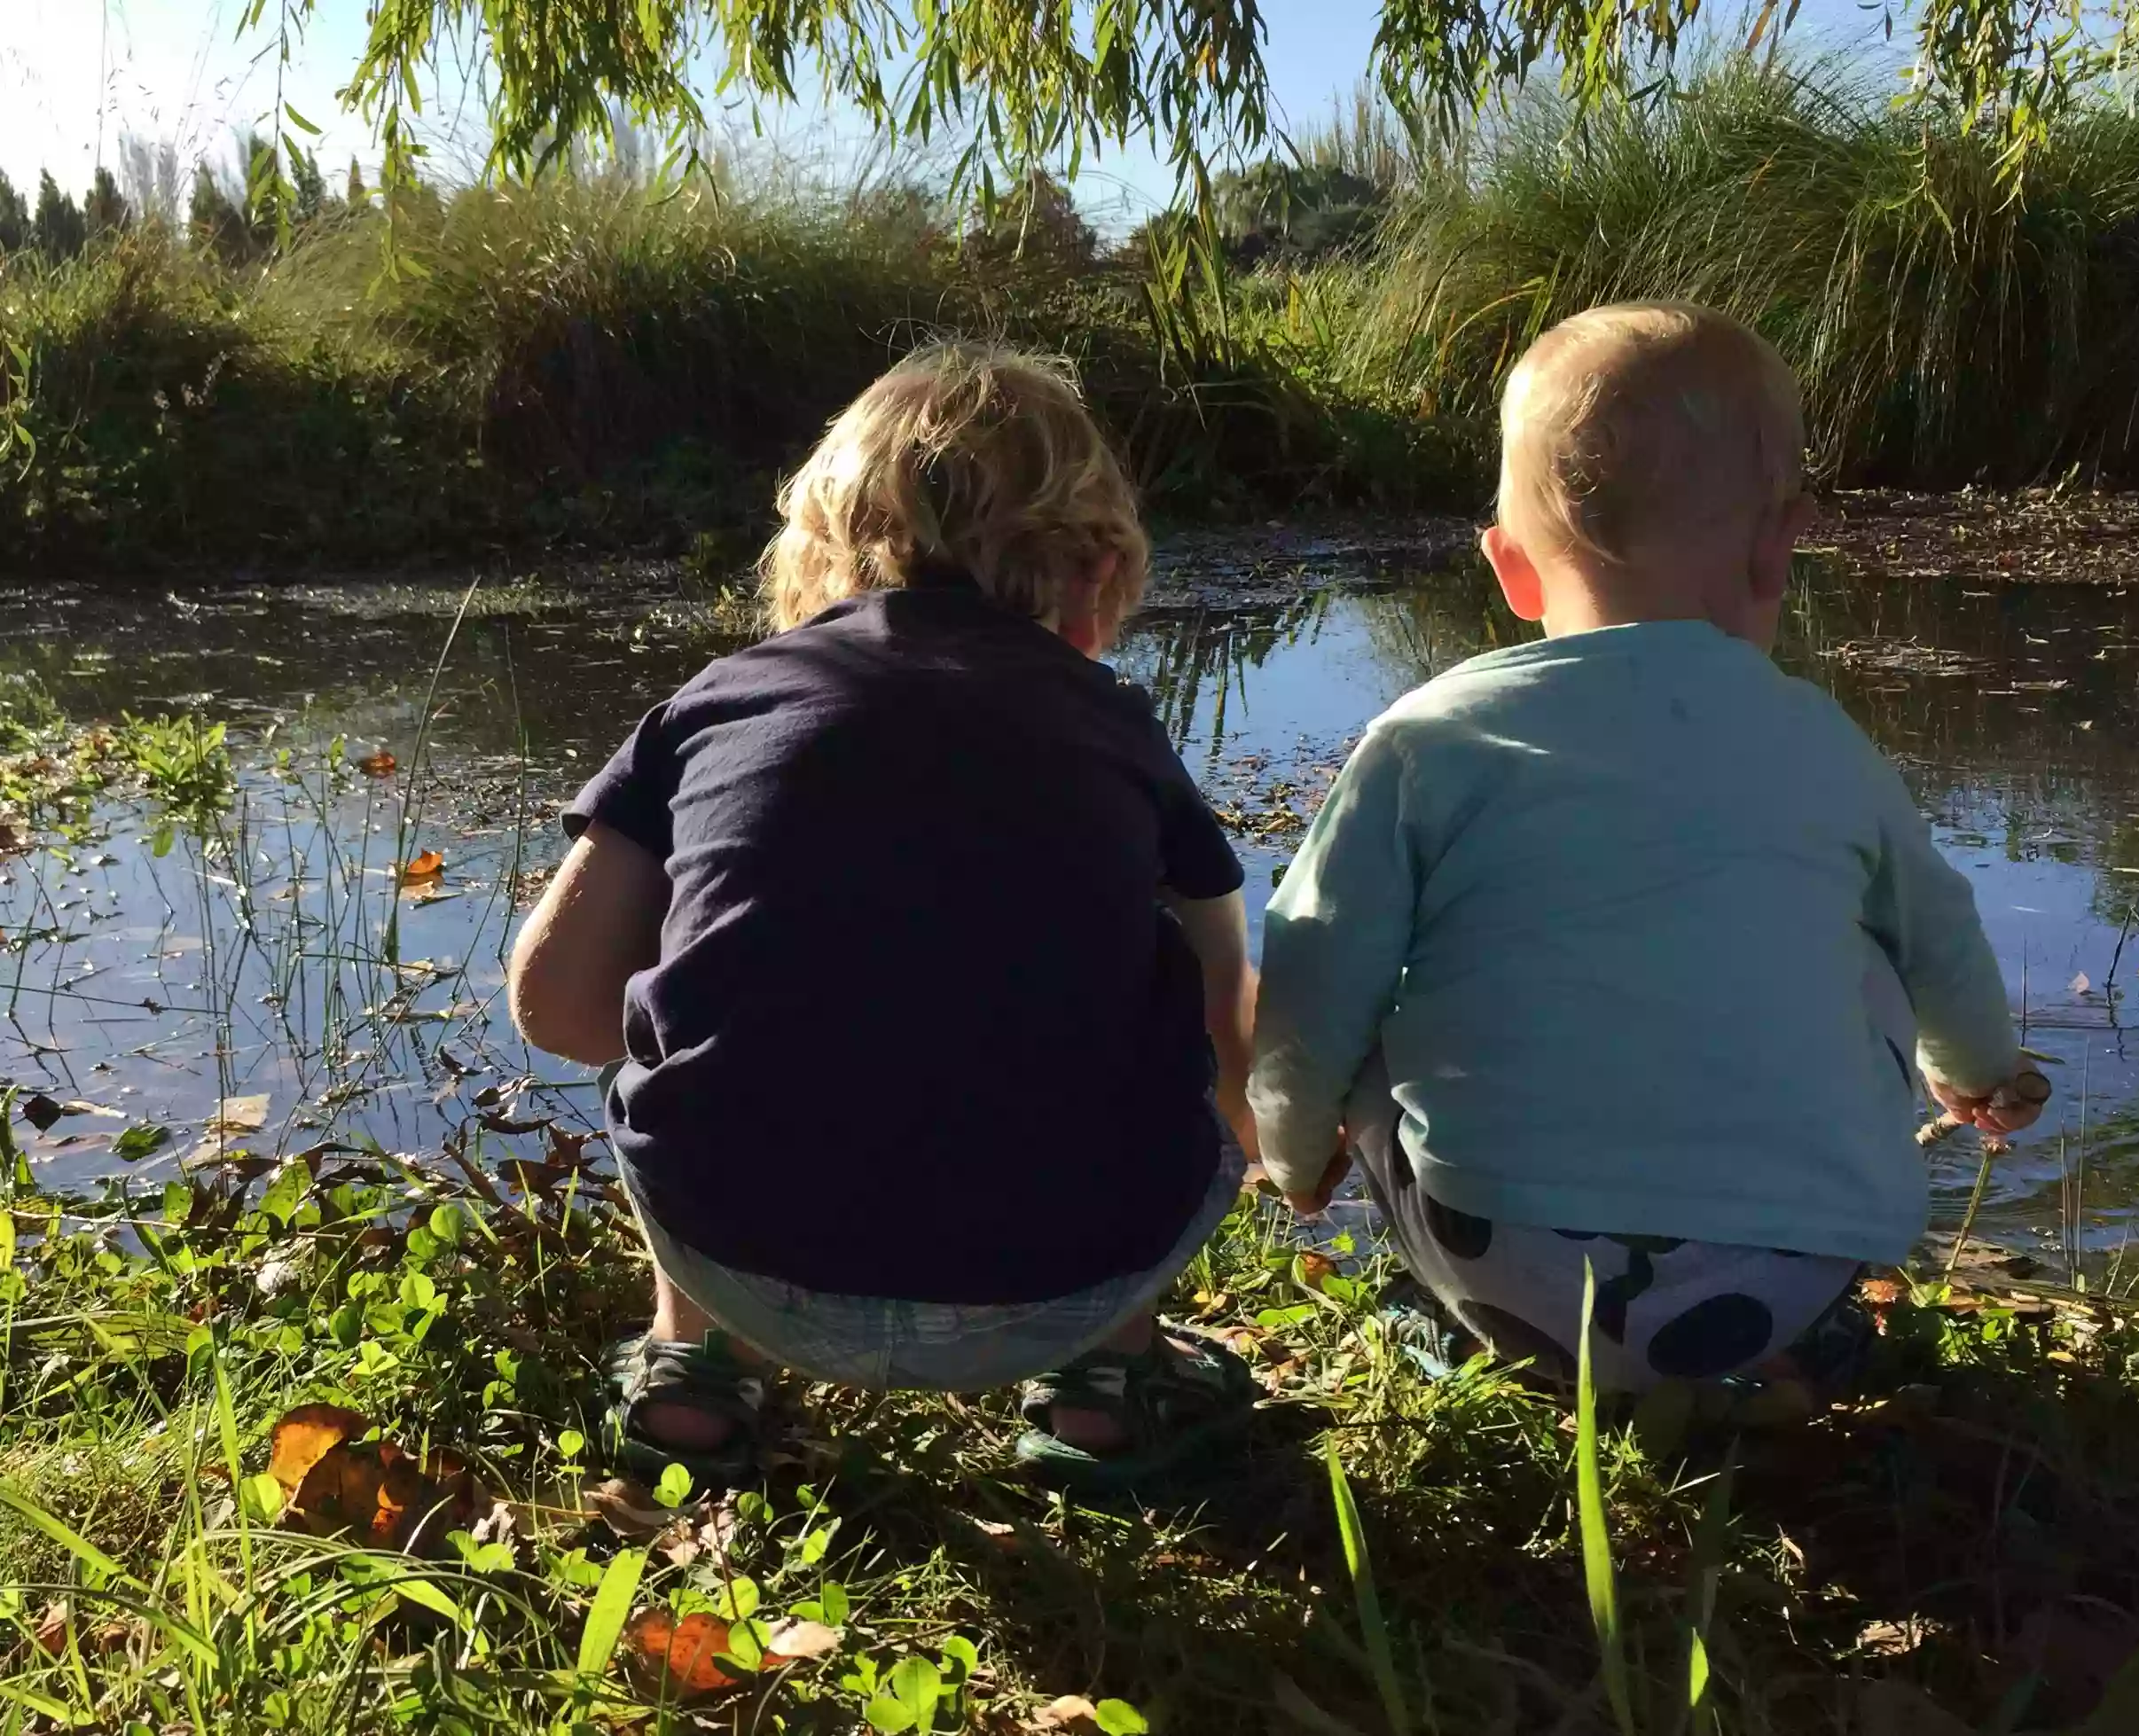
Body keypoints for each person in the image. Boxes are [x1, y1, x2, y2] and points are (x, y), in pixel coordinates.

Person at [1247, 302, 2049, 1396]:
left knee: (1372, 1003)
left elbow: (1310, 975)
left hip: (1508, 1269)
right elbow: (1942, 944)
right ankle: (1774, 1344)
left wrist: (1293, 1156)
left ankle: (1463, 1329)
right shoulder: (1821, 740)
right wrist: (1976, 1072)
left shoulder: (1428, 737)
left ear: (1509, 570)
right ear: (1779, 544)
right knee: (1866, 945)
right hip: (1793, 1269)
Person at [508, 344, 1258, 1491]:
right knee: (1167, 1018)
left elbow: (555, 1005)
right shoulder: (1116, 726)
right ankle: (1113, 1386)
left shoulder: (714, 703)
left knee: (659, 1042)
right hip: (1069, 1286)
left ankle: (695, 1381)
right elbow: (1226, 1028)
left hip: (742, 1257)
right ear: (1101, 572)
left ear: (812, 556)